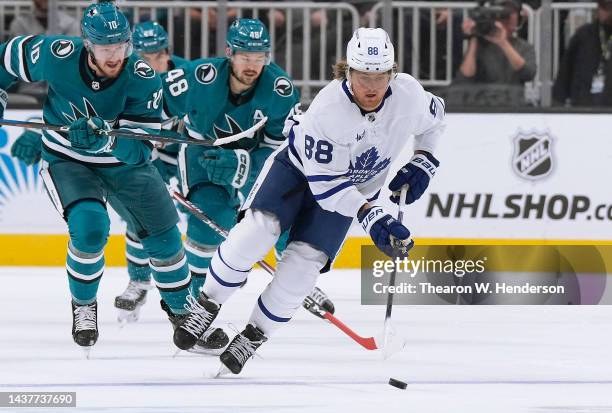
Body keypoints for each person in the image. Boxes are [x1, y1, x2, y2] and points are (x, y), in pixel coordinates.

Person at [172, 27, 446, 375]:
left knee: (303, 266)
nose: (372, 86)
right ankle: (207, 304)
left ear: (392, 72)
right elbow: (327, 188)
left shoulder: (409, 94)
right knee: (257, 232)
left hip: (354, 192)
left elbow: (435, 121)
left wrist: (424, 160)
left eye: (381, 75)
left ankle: (254, 335)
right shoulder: (329, 109)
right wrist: (372, 215)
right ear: (348, 71)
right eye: (364, 75)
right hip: (298, 174)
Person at [0, 2, 194, 351]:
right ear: (87, 43)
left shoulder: (143, 79)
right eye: (106, 47)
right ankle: (84, 305)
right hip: (67, 160)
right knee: (90, 229)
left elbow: (140, 151)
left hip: (123, 165)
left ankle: (183, 312)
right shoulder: (55, 54)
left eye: (120, 46)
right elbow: (5, 59)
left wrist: (109, 137)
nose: (114, 54)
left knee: (165, 235)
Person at [455, 0, 536, 85]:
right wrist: (474, 36)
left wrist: (503, 43)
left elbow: (528, 75)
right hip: (483, 96)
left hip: (512, 96)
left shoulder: (524, 47)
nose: (506, 18)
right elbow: (465, 77)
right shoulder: (481, 44)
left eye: (511, 13)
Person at [553, 0, 612, 106]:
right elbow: (565, 72)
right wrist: (558, 102)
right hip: (583, 108)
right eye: (604, 7)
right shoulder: (583, 35)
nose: (608, 12)